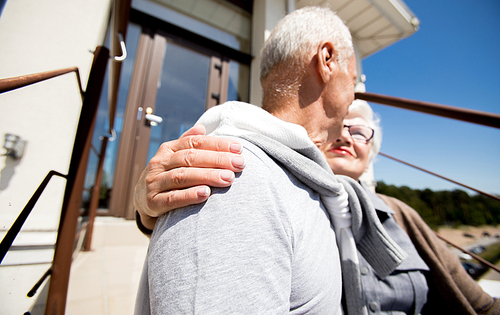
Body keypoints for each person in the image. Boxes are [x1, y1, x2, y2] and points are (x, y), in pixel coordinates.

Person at [134, 7, 406, 315]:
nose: (351, 99)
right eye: (353, 82)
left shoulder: (301, 182)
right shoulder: (238, 179)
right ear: (327, 60)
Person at [135, 100, 500, 314]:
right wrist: (147, 213)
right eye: (339, 127)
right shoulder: (288, 195)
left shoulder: (400, 214)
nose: (346, 136)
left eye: (359, 132)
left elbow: (476, 302)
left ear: (370, 152)